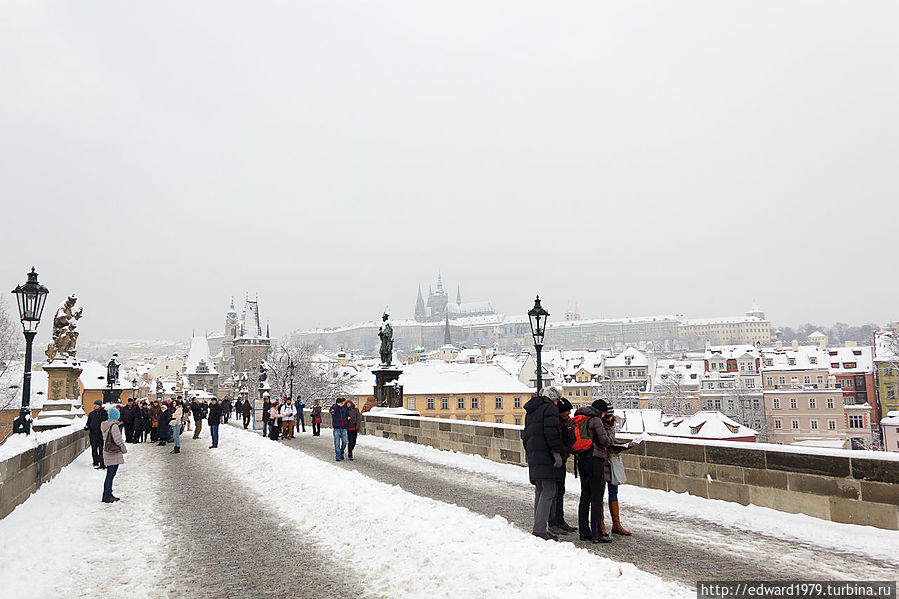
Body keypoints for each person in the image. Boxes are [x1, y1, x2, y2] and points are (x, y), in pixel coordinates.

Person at [522, 388, 565, 540]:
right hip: (546, 454)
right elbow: (551, 432)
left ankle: (538, 526)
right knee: (549, 490)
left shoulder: (532, 410)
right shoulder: (550, 409)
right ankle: (539, 529)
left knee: (540, 490)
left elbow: (526, 434)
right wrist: (556, 453)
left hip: (534, 454)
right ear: (555, 399)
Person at [575, 399, 614, 543]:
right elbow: (605, 441)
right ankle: (597, 533)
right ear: (601, 411)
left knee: (585, 496)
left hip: (581, 460)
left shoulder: (580, 416)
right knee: (596, 498)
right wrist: (610, 431)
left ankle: (583, 532)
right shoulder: (596, 420)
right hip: (595, 461)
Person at [548, 395, 576, 536]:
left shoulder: (564, 422)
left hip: (562, 460)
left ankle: (560, 520)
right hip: (556, 461)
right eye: (567, 411)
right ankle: (553, 523)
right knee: (554, 493)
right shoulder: (555, 423)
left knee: (560, 492)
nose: (569, 413)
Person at [602, 407, 631, 536]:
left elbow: (611, 441)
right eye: (608, 416)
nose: (610, 419)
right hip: (603, 462)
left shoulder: (610, 425)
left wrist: (623, 445)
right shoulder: (599, 425)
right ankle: (601, 525)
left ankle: (616, 524)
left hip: (612, 461)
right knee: (600, 494)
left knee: (614, 491)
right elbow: (605, 442)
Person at [100, 406, 127, 503]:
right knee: (110, 475)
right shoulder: (114, 426)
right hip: (113, 452)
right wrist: (124, 449)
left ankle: (108, 493)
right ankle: (107, 495)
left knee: (110, 475)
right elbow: (118, 440)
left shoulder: (105, 425)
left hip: (107, 451)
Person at [84, 400, 108, 469]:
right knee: (94, 449)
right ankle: (95, 462)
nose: (95, 406)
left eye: (96, 405)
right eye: (94, 404)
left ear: (100, 405)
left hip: (101, 434)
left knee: (101, 449)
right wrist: (87, 427)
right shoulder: (91, 414)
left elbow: (106, 422)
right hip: (93, 434)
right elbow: (88, 423)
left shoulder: (104, 413)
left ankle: (102, 463)